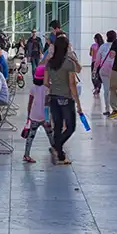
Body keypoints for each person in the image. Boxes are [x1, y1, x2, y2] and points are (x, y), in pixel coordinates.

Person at [45, 34, 82, 166]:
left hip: (53, 97)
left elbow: (45, 82)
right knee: (70, 127)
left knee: (58, 126)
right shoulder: (68, 63)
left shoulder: (50, 62)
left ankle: (59, 152)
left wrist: (55, 87)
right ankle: (57, 148)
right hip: (66, 98)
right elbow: (72, 84)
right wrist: (78, 103)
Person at [22, 65, 50, 164]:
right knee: (50, 134)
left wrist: (28, 115)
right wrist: (47, 119)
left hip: (34, 115)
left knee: (31, 136)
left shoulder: (33, 88)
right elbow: (47, 104)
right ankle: (56, 150)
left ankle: (26, 155)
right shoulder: (47, 88)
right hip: (44, 116)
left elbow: (30, 103)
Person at [89, 33, 106, 103]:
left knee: (93, 76)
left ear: (95, 39)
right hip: (101, 63)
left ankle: (96, 87)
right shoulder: (103, 46)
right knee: (99, 76)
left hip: (94, 62)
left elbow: (91, 54)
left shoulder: (93, 46)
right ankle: (98, 87)